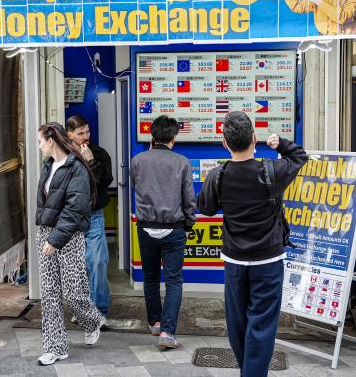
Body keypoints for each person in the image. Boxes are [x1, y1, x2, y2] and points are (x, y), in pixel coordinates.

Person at [197, 112, 308, 377]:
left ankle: (247, 370)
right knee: (262, 323)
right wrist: (280, 143)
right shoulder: (272, 171)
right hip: (268, 262)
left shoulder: (218, 175)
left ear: (225, 143)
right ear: (254, 139)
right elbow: (299, 156)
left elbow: (206, 208)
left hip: (234, 261)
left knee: (237, 323)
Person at [35, 122, 104, 366]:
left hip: (70, 236)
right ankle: (56, 347)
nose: (40, 146)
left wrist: (55, 239)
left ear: (51, 140)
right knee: (50, 294)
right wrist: (45, 235)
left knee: (74, 293)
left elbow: (75, 208)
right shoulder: (47, 166)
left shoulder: (77, 169)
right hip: (45, 234)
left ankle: (92, 320)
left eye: (41, 141)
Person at [130, 115, 196, 349]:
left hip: (145, 228)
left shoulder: (137, 160)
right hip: (174, 229)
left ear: (152, 136)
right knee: (174, 281)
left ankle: (155, 322)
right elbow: (189, 199)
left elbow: (139, 187)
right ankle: (167, 332)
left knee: (150, 277)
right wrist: (189, 224)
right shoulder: (182, 162)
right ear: (174, 138)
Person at [66, 115, 114, 320]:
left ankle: (99, 310)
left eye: (87, 132)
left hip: (94, 215)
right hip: (70, 217)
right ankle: (82, 308)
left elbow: (104, 182)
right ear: (69, 134)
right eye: (80, 133)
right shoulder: (63, 155)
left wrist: (91, 161)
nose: (85, 136)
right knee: (77, 266)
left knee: (97, 262)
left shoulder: (99, 154)